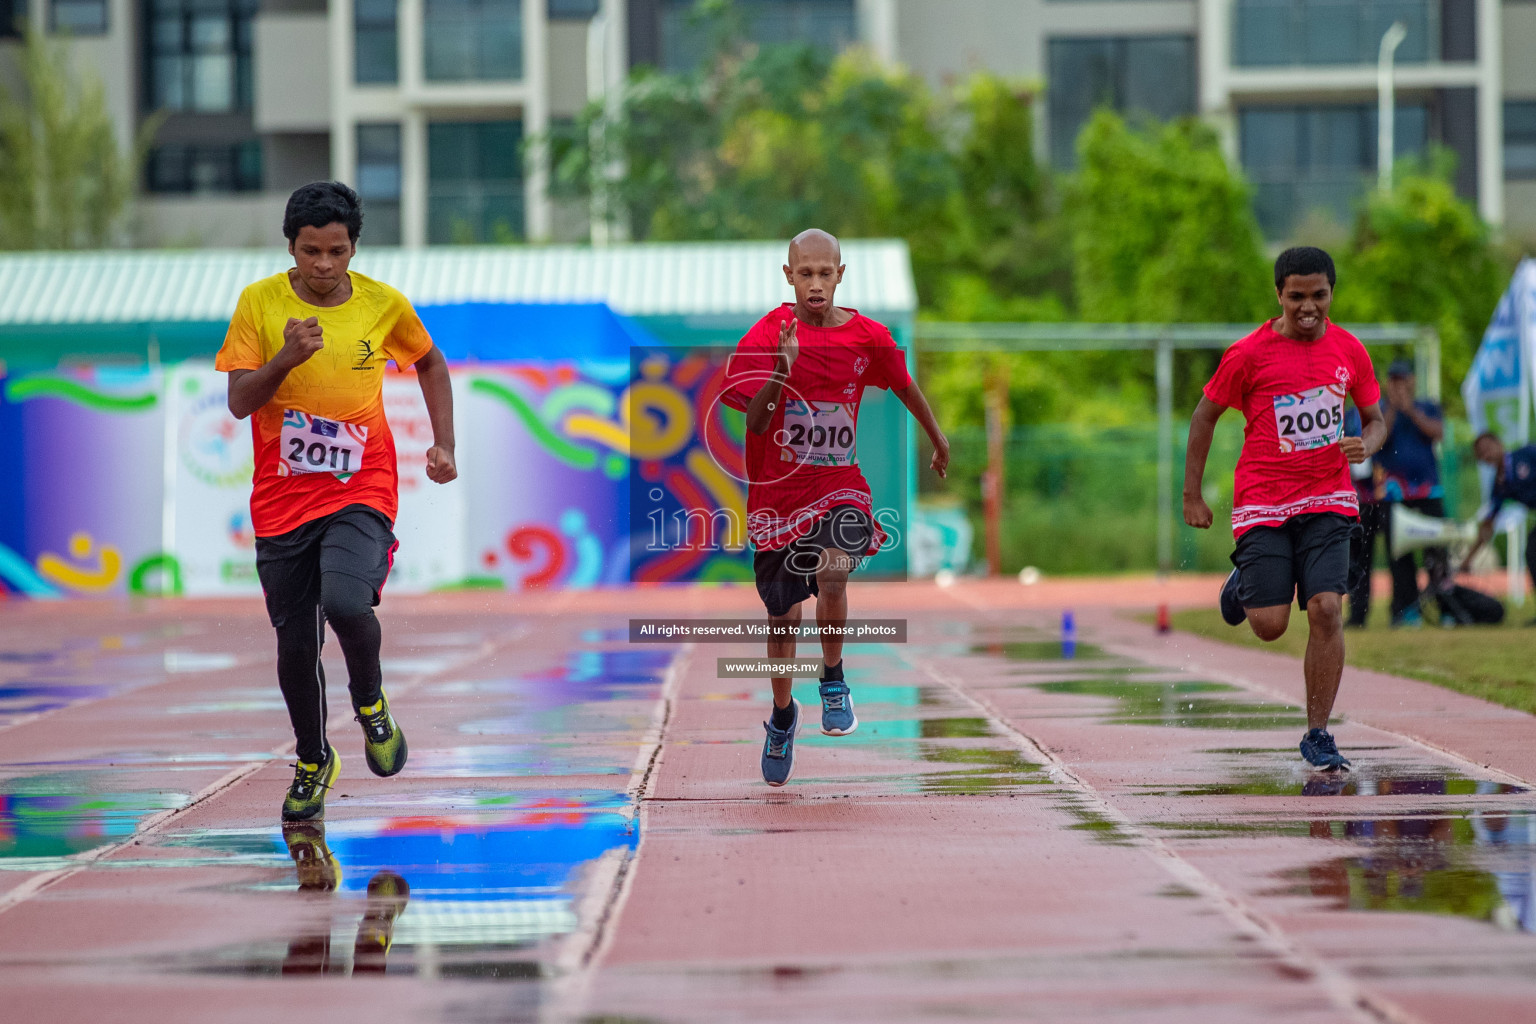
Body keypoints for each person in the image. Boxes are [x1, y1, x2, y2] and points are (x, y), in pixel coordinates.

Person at [217, 181, 457, 821]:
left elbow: (431, 363)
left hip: (363, 488)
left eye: (337, 251)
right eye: (310, 251)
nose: (324, 265)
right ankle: (313, 757)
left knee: (349, 602)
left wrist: (444, 445)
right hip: (281, 500)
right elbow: (241, 401)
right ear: (291, 248)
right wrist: (285, 360)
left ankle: (371, 703)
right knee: (295, 647)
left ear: (354, 248)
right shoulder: (260, 304)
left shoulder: (383, 305)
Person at [721, 229, 949, 787]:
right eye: (806, 274)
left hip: (839, 484)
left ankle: (833, 678)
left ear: (841, 276)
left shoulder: (869, 337)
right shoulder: (768, 335)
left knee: (832, 572)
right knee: (781, 617)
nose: (816, 284)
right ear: (788, 275)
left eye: (826, 273)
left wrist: (938, 437)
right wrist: (781, 367)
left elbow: (904, 385)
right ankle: (782, 715)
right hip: (777, 494)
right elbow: (751, 422)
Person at [1183, 246, 1385, 771]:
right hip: (1264, 501)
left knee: (1325, 608)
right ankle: (1245, 583)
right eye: (1296, 296)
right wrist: (1192, 494)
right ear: (1279, 295)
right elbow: (1204, 417)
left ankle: (1318, 733)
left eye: (1318, 295)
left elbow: (1375, 418)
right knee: (1270, 625)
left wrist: (1368, 444)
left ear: (1331, 293)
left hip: (1329, 497)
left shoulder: (1349, 350)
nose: (1308, 306)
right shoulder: (1248, 354)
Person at [1376, 358, 1447, 626]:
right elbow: (1380, 437)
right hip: (1395, 495)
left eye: (1403, 379)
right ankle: (1405, 611)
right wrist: (1395, 409)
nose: (1399, 384)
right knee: (1399, 557)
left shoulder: (1428, 406)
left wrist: (1411, 410)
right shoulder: (1380, 410)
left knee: (1437, 554)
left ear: (1412, 380)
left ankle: (1444, 607)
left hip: (1429, 493)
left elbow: (1437, 433)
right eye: (1394, 380)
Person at [1463, 431, 1536, 617]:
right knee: (1533, 552)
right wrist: (1468, 559)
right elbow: (1488, 526)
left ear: (1499, 444)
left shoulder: (1526, 454)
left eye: (1487, 448)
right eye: (1481, 454)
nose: (1486, 455)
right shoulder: (1500, 484)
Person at [1342, 406, 1387, 627]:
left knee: (1397, 557)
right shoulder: (1347, 414)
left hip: (1389, 495)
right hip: (1359, 498)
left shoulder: (1386, 411)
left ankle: (1403, 611)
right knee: (1358, 558)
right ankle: (1358, 614)